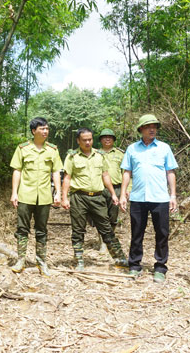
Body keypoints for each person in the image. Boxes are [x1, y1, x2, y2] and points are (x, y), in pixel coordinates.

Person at [119, 114, 178, 283]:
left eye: (154, 126)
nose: (152, 129)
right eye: (148, 126)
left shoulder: (164, 148)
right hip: (138, 197)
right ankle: (135, 265)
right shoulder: (132, 149)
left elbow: (170, 172)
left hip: (160, 197)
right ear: (141, 129)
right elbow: (127, 172)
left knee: (162, 233)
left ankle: (160, 267)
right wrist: (123, 194)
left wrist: (173, 195)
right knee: (137, 232)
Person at [62, 127, 128, 271]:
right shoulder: (72, 157)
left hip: (97, 198)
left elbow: (105, 175)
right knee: (78, 230)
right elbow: (67, 178)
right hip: (79, 197)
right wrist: (64, 198)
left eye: (90, 139)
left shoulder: (99, 155)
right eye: (84, 140)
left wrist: (112, 194)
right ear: (78, 141)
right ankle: (79, 260)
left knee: (106, 228)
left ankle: (120, 259)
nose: (87, 142)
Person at [9, 117, 62, 276]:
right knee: (22, 228)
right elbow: (17, 170)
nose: (45, 131)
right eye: (42, 129)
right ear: (34, 131)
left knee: (42, 230)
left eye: (47, 129)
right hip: (25, 195)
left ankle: (41, 262)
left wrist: (58, 192)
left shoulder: (52, 150)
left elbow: (56, 172)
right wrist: (14, 192)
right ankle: (21, 261)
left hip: (45, 196)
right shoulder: (22, 148)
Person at [98, 128, 126, 253]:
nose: (107, 139)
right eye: (104, 137)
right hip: (99, 189)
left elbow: (126, 173)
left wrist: (127, 190)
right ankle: (103, 242)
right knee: (100, 216)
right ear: (101, 140)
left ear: (114, 140)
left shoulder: (121, 154)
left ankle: (109, 238)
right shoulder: (95, 154)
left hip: (117, 188)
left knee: (113, 216)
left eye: (110, 137)